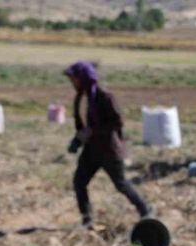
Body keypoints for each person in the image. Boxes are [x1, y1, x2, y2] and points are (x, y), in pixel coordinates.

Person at [64, 61, 150, 228]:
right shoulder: (81, 98)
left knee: (121, 184)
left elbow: (117, 122)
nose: (71, 82)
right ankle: (87, 220)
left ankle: (146, 210)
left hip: (109, 150)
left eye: (73, 78)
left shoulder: (104, 97)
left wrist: (92, 131)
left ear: (83, 78)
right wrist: (77, 140)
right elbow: (82, 125)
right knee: (79, 182)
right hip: (91, 151)